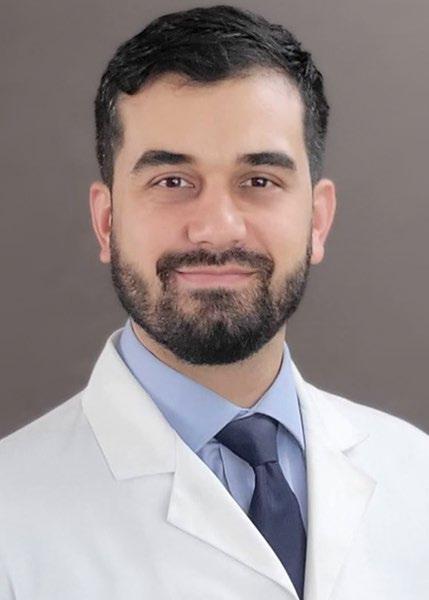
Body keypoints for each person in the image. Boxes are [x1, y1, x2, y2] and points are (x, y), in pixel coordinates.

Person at [0, 4, 428, 599]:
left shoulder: (417, 474)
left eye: (259, 181)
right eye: (172, 181)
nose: (217, 228)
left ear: (317, 220)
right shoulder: (11, 518)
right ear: (106, 222)